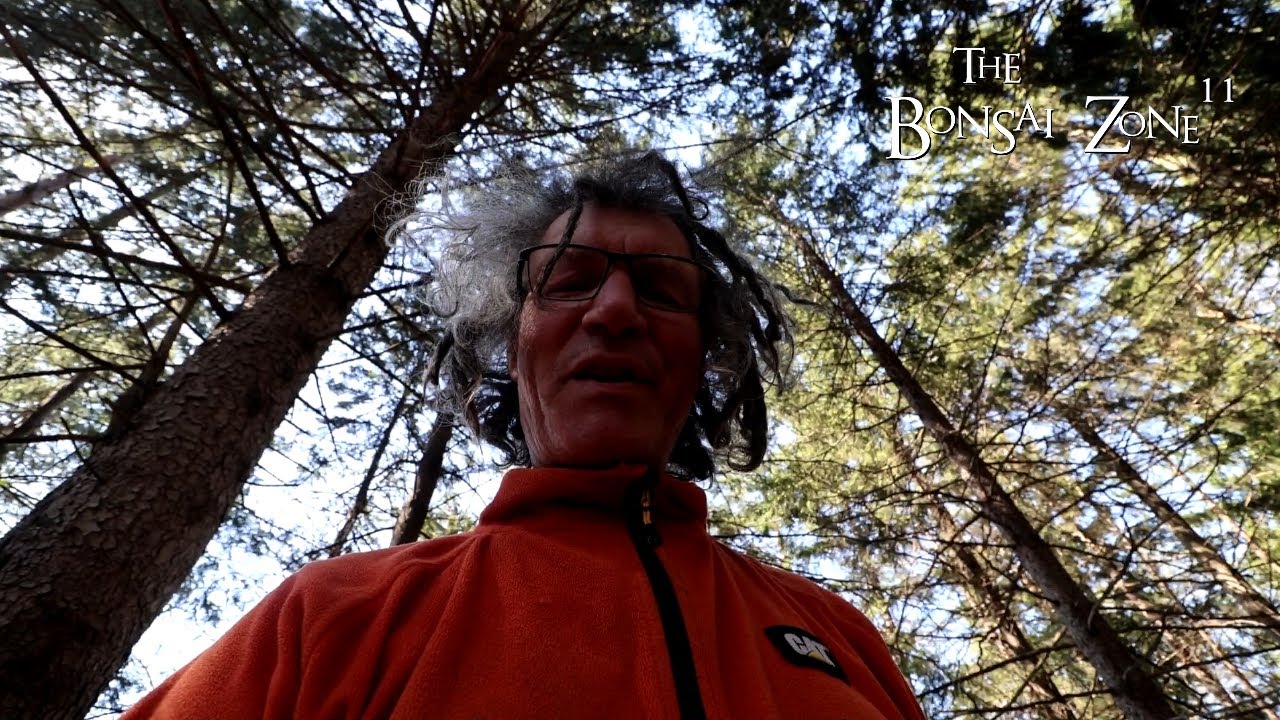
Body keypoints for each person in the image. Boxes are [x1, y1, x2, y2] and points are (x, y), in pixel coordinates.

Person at [121, 152, 924, 719]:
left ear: (705, 358)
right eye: (569, 282)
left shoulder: (838, 635)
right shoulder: (334, 617)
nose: (616, 311)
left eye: (659, 290)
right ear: (512, 342)